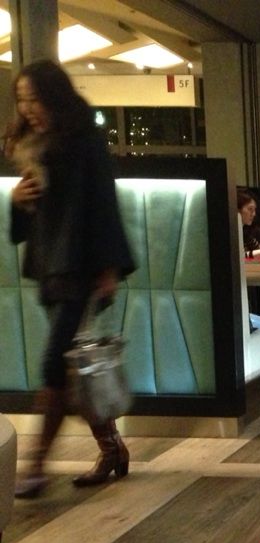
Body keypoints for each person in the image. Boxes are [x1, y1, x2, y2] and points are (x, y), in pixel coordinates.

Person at [6, 60, 136, 498]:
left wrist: (110, 268)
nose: (28, 108)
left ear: (55, 97)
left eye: (34, 99)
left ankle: (35, 465)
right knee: (76, 367)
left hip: (82, 265)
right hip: (49, 265)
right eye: (21, 100)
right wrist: (17, 200)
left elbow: (103, 201)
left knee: (53, 364)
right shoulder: (32, 145)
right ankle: (112, 448)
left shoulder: (83, 140)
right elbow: (29, 218)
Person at [237, 189, 260, 253]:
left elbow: (259, 249)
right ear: (237, 209)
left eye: (254, 209)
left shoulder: (245, 232)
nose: (254, 214)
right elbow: (241, 255)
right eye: (250, 209)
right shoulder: (232, 233)